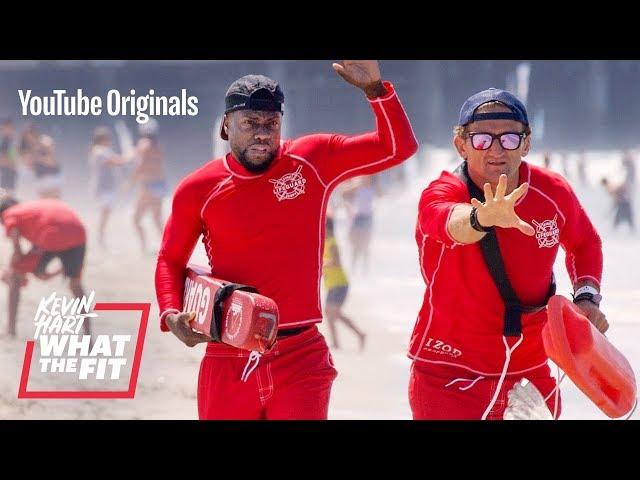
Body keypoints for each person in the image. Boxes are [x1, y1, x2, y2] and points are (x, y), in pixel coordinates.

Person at [155, 60, 418, 420]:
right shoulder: (198, 189)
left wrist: (376, 92)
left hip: (300, 354)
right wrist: (170, 312)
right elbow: (170, 259)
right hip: (228, 354)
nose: (262, 133)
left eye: (271, 124)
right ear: (226, 125)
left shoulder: (312, 159)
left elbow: (397, 148)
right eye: (250, 123)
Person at [408, 88, 606, 420]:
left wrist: (587, 297)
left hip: (529, 375)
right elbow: (448, 222)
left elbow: (585, 242)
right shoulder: (444, 191)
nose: (497, 149)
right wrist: (481, 218)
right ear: (461, 145)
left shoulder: (552, 192)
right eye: (482, 139)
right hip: (449, 374)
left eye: (510, 138)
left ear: (526, 144)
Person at [0, 191, 90, 338]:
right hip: (78, 234)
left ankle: (11, 331)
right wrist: (43, 271)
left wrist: (16, 263)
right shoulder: (31, 208)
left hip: (51, 234)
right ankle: (89, 337)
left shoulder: (10, 213)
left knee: (15, 274)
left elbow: (17, 246)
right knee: (75, 285)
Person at [322, 215, 366, 351]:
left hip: (340, 283)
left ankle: (359, 334)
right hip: (332, 284)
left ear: (326, 227)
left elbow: (337, 262)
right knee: (330, 314)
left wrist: (321, 265)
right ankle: (337, 342)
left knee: (334, 313)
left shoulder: (332, 242)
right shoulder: (324, 243)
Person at [129, 119, 167, 254]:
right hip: (160, 186)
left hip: (148, 187)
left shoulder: (143, 145)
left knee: (136, 219)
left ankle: (144, 247)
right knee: (157, 220)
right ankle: (167, 248)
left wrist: (129, 183)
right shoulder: (158, 147)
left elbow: (140, 166)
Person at [89, 126, 130, 248]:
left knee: (106, 213)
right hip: (102, 187)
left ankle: (101, 238)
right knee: (104, 213)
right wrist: (130, 155)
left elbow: (117, 162)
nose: (110, 141)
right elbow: (117, 162)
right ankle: (100, 239)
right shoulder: (99, 151)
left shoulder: (103, 150)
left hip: (105, 187)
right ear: (102, 139)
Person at [342, 174, 381, 275]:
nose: (365, 178)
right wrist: (356, 185)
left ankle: (365, 271)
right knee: (355, 246)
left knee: (366, 246)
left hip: (368, 217)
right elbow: (344, 194)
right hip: (358, 217)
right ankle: (353, 269)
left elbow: (381, 195)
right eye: (364, 177)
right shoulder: (358, 187)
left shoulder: (373, 187)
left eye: (367, 177)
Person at [0, 119, 18, 196]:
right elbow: (1, 160)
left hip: (10, 176)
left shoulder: (11, 141)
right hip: (4, 176)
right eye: (8, 128)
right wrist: (11, 164)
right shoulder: (4, 142)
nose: (10, 130)